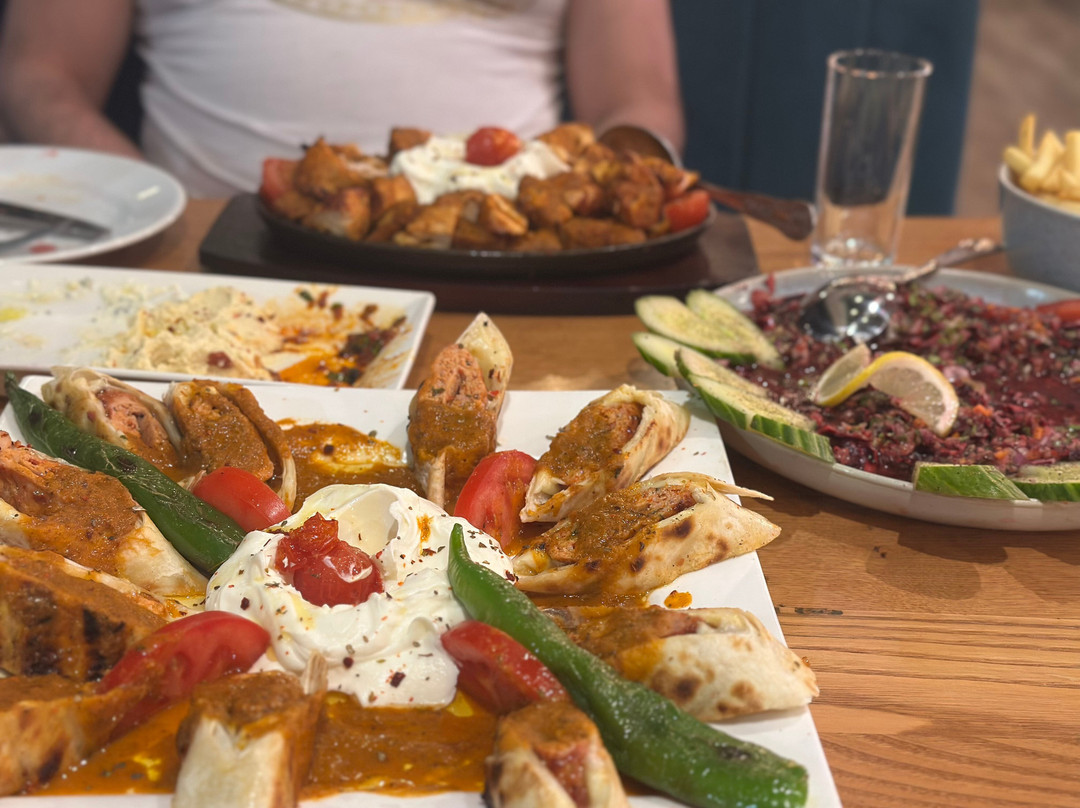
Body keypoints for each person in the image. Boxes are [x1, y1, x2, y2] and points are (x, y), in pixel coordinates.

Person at [0, 0, 684, 197]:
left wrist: (619, 195)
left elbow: (638, 103)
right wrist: (150, 210)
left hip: (511, 264)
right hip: (201, 252)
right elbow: (39, 76)